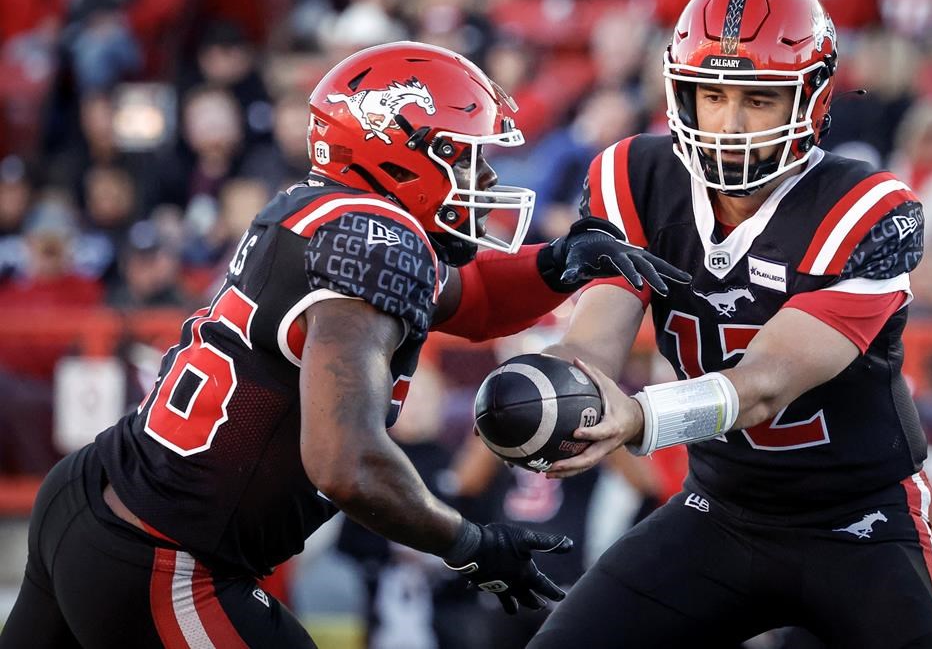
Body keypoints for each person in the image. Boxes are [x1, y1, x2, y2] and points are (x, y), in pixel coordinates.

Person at [0, 41, 688, 649]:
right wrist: (468, 542)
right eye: (466, 158)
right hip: (165, 556)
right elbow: (343, 461)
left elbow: (470, 301)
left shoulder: (325, 214)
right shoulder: (373, 242)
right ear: (403, 152)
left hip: (97, 500)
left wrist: (563, 260)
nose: (482, 182)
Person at [527, 0, 932, 648]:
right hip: (720, 511)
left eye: (758, 99)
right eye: (712, 94)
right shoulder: (635, 178)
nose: (729, 123)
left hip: (858, 524)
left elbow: (764, 384)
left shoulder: (868, 209)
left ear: (812, 99)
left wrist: (638, 416)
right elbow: (597, 338)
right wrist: (557, 393)